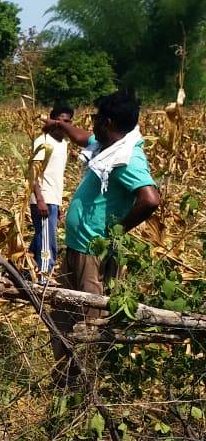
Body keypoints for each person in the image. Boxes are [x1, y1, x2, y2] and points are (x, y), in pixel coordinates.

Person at [41, 90, 161, 383]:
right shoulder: (109, 145)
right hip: (80, 246)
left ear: (107, 122)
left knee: (90, 318)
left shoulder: (126, 159)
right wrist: (60, 125)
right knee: (65, 312)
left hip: (93, 252)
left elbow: (150, 199)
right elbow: (83, 137)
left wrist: (115, 231)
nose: (91, 124)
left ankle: (86, 385)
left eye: (95, 119)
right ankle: (66, 377)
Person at [28, 102, 74, 281]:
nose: (64, 125)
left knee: (41, 236)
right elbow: (33, 173)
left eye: (68, 121)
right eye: (61, 120)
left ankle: (27, 269)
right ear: (52, 120)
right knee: (48, 240)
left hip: (53, 199)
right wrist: (40, 199)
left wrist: (58, 203)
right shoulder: (42, 142)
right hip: (43, 198)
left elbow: (55, 176)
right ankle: (44, 278)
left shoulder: (63, 144)